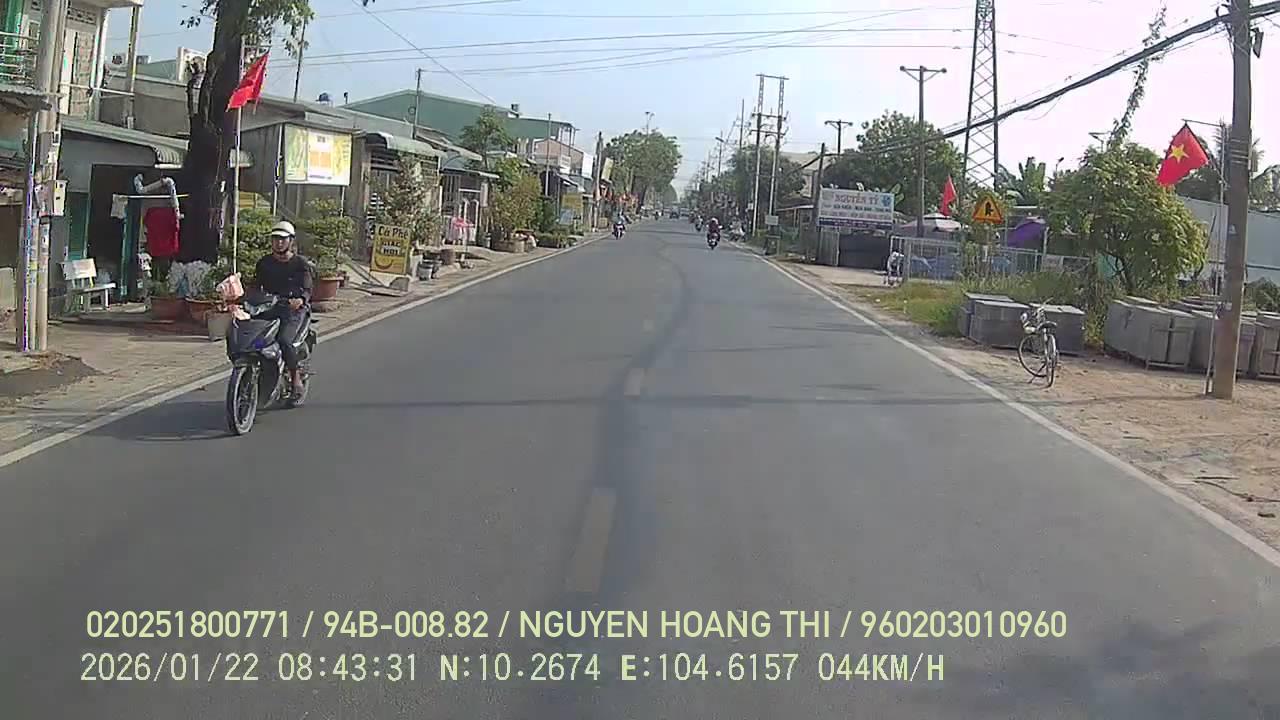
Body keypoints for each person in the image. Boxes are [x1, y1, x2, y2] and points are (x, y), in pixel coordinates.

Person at [254, 220, 313, 395]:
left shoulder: (300, 264)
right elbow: (255, 287)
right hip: (269, 308)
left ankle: (295, 378)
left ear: (291, 241)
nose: (279, 242)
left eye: (283, 239)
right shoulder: (264, 263)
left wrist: (300, 300)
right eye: (275, 239)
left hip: (292, 311)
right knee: (254, 339)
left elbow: (307, 288)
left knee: (284, 340)